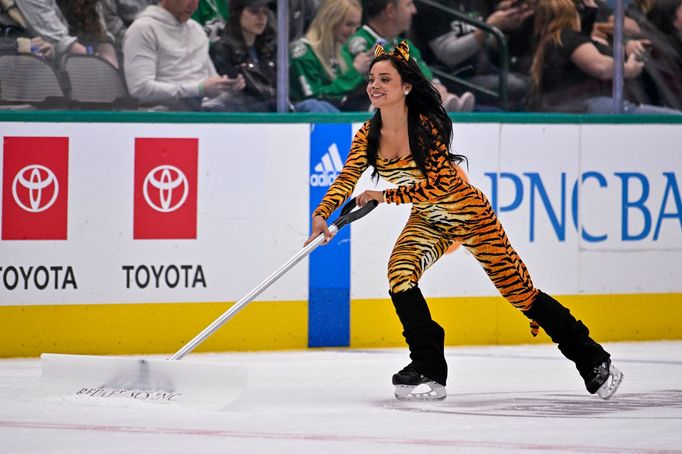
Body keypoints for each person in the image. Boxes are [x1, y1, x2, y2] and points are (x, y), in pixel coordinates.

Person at [306, 40, 624, 401]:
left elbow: (441, 184)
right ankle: (427, 366)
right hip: (428, 219)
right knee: (400, 274)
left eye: (385, 79)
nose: (375, 86)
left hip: (470, 215)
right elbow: (346, 178)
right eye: (372, 79)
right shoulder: (368, 134)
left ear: (406, 87)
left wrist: (385, 195)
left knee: (520, 294)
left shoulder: (425, 126)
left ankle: (595, 360)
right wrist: (320, 215)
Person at [529, 0, 680, 113]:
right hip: (587, 104)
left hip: (582, 105)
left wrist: (628, 48)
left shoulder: (554, 41)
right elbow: (600, 66)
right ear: (573, 14)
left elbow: (589, 38)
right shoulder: (566, 37)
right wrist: (628, 69)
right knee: (671, 119)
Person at [344, 0, 475, 112]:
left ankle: (444, 102)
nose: (414, 10)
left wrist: (436, 87)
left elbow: (425, 74)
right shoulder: (361, 44)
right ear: (390, 11)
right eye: (408, 5)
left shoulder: (405, 44)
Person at [410, 0, 533, 110]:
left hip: (483, 70)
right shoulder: (428, 4)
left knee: (532, 83)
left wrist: (507, 24)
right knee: (515, 86)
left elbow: (490, 42)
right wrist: (488, 29)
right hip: (451, 78)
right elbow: (448, 55)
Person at [123, 0, 246, 111]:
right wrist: (199, 89)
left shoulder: (196, 29)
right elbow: (140, 89)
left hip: (206, 111)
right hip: (166, 116)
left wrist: (227, 88)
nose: (195, 5)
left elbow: (210, 84)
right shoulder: (142, 29)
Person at [289, 0, 372, 112]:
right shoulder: (303, 53)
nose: (353, 32)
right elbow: (315, 98)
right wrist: (355, 71)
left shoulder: (343, 54)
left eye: (356, 26)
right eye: (348, 24)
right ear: (330, 20)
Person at [210, 0, 277, 111]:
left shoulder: (268, 51)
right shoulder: (222, 50)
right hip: (243, 117)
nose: (261, 18)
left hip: (271, 113)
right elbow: (235, 98)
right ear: (237, 14)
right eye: (254, 12)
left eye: (265, 12)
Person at [14, 0, 118, 66]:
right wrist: (101, 65)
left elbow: (102, 37)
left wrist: (112, 68)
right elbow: (61, 41)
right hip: (40, 70)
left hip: (87, 64)